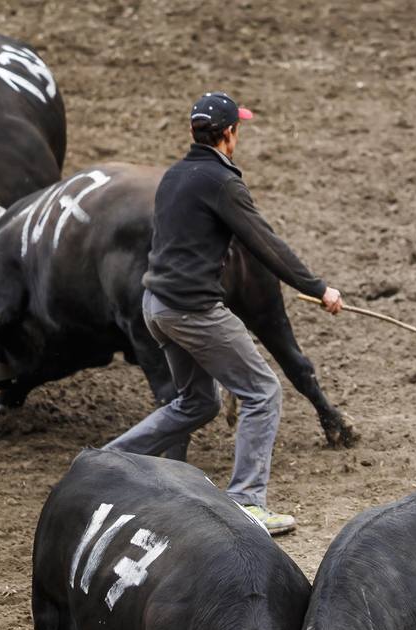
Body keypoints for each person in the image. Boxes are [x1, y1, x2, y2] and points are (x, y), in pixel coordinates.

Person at [105, 91, 342, 536]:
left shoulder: (175, 175)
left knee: (197, 403)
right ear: (229, 134)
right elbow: (265, 243)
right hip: (193, 310)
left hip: (155, 307)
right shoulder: (221, 182)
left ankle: (104, 461)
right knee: (262, 392)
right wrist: (318, 288)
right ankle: (248, 503)